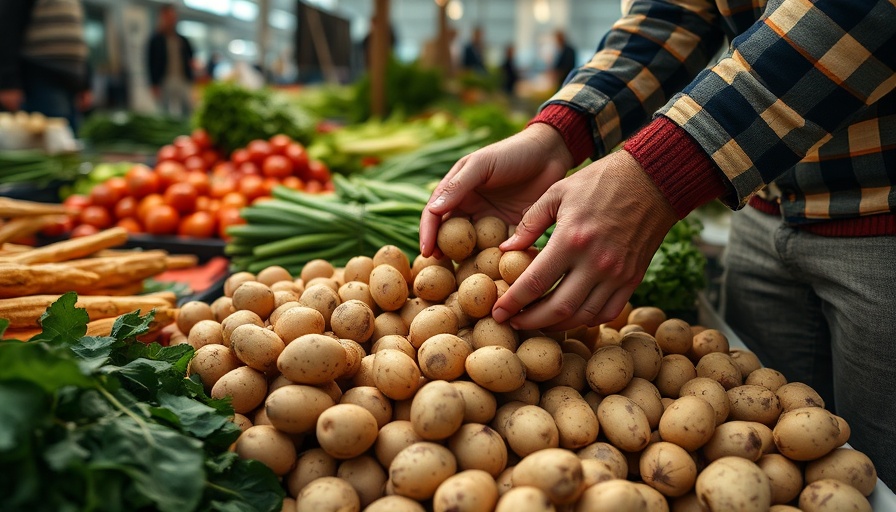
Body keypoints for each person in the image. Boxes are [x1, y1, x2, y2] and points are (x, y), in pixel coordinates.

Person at [420, 0, 896, 489]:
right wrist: (562, 131)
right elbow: (674, 13)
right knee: (771, 455)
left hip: (882, 222)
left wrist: (655, 177)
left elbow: (862, 11)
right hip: (761, 207)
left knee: (877, 477)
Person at [0, 0, 91, 132]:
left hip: (72, 81)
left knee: (69, 140)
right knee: (48, 142)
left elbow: (77, 37)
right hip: (41, 76)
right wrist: (8, 82)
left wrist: (85, 83)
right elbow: (8, 28)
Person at [147, 4, 194, 118]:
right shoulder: (156, 39)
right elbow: (150, 63)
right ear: (162, 17)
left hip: (182, 78)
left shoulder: (182, 39)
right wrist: (153, 84)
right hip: (165, 79)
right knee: (164, 111)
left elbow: (191, 56)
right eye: (169, 16)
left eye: (173, 17)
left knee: (188, 109)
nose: (172, 20)